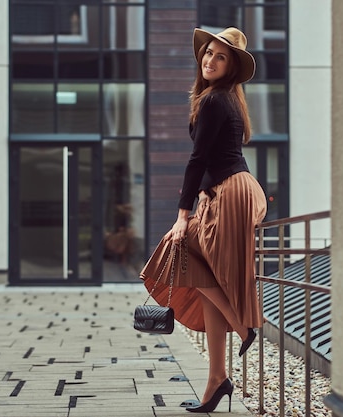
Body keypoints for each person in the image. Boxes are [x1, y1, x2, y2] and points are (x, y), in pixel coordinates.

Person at [139, 27, 267, 413]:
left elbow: (197, 161)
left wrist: (182, 216)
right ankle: (216, 380)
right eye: (208, 53)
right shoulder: (218, 98)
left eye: (220, 56)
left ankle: (244, 326)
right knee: (204, 271)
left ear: (231, 67)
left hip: (229, 192)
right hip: (227, 191)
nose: (210, 59)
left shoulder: (217, 101)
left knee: (176, 248)